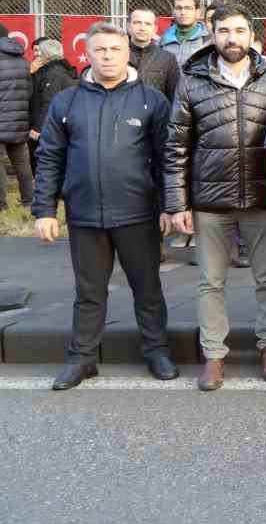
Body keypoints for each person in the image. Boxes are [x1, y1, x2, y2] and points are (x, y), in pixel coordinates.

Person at [32, 22, 175, 390]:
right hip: (84, 215)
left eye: (114, 49)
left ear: (127, 53)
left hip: (138, 214)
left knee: (147, 288)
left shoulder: (151, 100)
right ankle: (82, 359)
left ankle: (157, 351)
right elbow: (49, 157)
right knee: (89, 292)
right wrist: (45, 210)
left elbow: (166, 160)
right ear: (87, 54)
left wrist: (168, 206)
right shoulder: (67, 101)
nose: (107, 56)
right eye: (100, 50)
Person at [163, 7, 266, 389]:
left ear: (251, 35)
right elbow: (175, 147)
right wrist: (177, 204)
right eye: (224, 31)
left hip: (263, 198)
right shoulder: (191, 81)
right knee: (210, 282)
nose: (232, 38)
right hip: (209, 201)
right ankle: (214, 353)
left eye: (240, 31)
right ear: (212, 34)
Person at [27, 38, 75, 169]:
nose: (37, 55)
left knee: (42, 164)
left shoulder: (53, 74)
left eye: (40, 52)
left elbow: (49, 102)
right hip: (55, 126)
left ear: (46, 55)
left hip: (48, 128)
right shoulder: (56, 70)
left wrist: (38, 127)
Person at [0, 30, 33, 208]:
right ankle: (29, 200)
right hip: (19, 119)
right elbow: (29, 91)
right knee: (22, 162)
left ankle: (1, 204)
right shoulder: (22, 59)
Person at [126, 7, 180, 100]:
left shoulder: (167, 59)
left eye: (147, 24)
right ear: (128, 26)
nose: (142, 28)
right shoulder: (116, 56)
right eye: (137, 23)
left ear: (155, 29)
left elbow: (174, 96)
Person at [160, 0, 210, 67]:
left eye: (188, 8)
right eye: (178, 8)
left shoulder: (209, 40)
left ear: (197, 12)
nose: (183, 12)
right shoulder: (162, 41)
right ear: (173, 12)